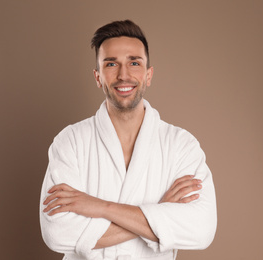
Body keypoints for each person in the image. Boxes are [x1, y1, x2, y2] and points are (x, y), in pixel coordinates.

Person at [40, 20, 217, 260]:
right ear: (98, 76)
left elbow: (201, 231)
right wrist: (158, 213)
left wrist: (101, 207)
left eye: (134, 63)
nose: (124, 75)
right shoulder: (70, 141)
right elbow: (56, 234)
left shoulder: (181, 145)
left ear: (148, 74)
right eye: (111, 64)